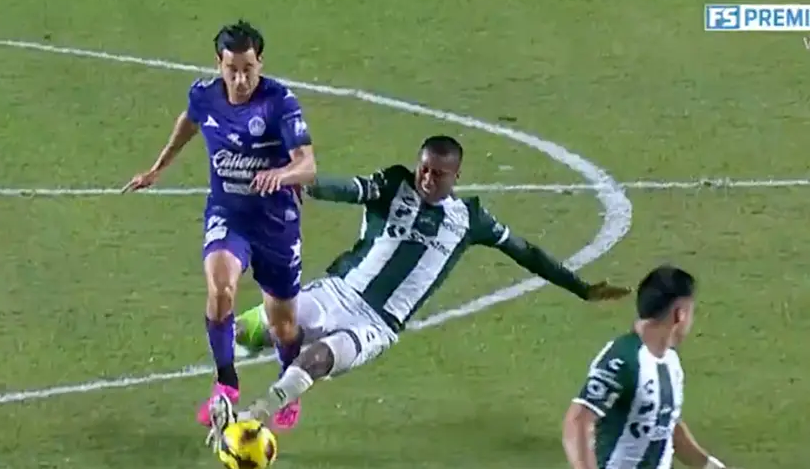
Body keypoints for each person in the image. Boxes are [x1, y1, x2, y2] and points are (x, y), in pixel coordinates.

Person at [205, 134, 630, 438]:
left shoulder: (471, 220)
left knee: (318, 358)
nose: (428, 178)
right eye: (424, 168)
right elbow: (347, 188)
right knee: (241, 331)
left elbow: (526, 252)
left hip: (379, 322)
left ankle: (261, 412)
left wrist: (581, 288)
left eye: (439, 174)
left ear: (456, 176)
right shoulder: (392, 185)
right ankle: (231, 391)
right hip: (335, 290)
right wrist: (297, 180)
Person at [122, 20, 317, 429]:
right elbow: (189, 122)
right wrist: (158, 168)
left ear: (260, 62)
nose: (241, 78)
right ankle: (226, 382)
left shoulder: (280, 103)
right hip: (228, 216)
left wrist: (280, 175)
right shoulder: (204, 96)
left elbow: (308, 165)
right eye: (232, 69)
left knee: (282, 324)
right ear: (219, 64)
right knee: (221, 287)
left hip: (276, 223)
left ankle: (289, 386)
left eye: (249, 68)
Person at [561, 265, 750, 469]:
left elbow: (667, 427)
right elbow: (576, 422)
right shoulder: (622, 359)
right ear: (680, 313)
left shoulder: (670, 363)